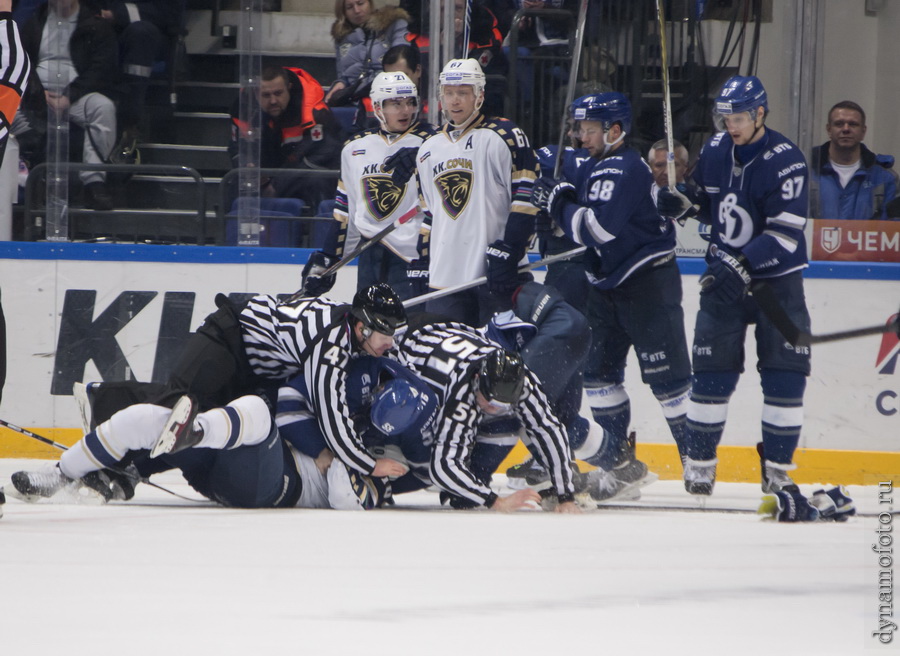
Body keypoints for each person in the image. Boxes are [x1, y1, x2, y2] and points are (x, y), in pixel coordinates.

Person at [74, 283, 412, 481]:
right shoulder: (330, 345)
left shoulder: (349, 333)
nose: (391, 342)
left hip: (260, 368)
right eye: (386, 333)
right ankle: (102, 403)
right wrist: (370, 465)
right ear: (362, 327)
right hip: (230, 336)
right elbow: (332, 415)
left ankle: (129, 468)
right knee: (178, 407)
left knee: (201, 425)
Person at [655, 75, 812, 497]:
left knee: (785, 378)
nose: (731, 125)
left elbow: (784, 235)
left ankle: (778, 468)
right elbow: (710, 206)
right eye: (725, 117)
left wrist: (741, 264)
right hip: (724, 281)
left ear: (760, 114)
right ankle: (701, 463)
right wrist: (684, 203)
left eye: (739, 117)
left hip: (776, 287)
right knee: (710, 376)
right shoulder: (717, 148)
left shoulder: (788, 160)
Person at [531, 93, 691, 483]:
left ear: (615, 131)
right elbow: (561, 167)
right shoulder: (601, 163)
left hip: (647, 282)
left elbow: (595, 230)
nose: (580, 136)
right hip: (605, 284)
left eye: (589, 129)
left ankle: (697, 461)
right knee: (599, 378)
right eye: (579, 128)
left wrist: (558, 203)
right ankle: (619, 467)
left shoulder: (621, 166)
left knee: (669, 383)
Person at [397, 317, 580, 512]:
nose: (495, 410)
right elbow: (442, 467)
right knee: (423, 466)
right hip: (409, 339)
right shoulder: (460, 390)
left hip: (452, 335)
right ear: (477, 380)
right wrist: (495, 501)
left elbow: (549, 429)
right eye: (490, 402)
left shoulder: (525, 383)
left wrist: (566, 495)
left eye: (505, 405)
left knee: (467, 495)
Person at [405, 57, 539, 326]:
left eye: (463, 93)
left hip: (496, 275)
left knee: (500, 361)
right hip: (445, 279)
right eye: (449, 93)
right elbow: (431, 214)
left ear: (480, 95)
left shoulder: (505, 135)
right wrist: (423, 260)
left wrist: (512, 250)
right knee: (446, 361)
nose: (455, 101)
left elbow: (527, 200)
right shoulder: (428, 148)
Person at [303, 71, 433, 300]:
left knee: (409, 329)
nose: (405, 110)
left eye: (409, 102)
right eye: (395, 103)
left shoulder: (435, 142)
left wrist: (426, 155)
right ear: (377, 106)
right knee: (367, 330)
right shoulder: (354, 148)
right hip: (370, 255)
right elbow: (347, 213)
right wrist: (329, 258)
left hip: (415, 257)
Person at [19, 0, 121, 210]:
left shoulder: (96, 25)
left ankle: (94, 182)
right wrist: (39, 93)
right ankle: (24, 179)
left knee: (103, 107)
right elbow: (22, 62)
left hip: (77, 95)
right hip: (37, 95)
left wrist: (70, 95)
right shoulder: (33, 24)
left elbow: (101, 69)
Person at [229, 65, 344, 211]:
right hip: (266, 172)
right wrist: (246, 166)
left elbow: (323, 156)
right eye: (266, 95)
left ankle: (317, 231)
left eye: (278, 93)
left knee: (318, 181)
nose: (273, 101)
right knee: (236, 183)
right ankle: (232, 231)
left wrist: (276, 185)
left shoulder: (315, 113)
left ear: (289, 88)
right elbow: (235, 147)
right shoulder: (243, 109)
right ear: (255, 93)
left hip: (303, 174)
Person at [98, 0, 183, 155]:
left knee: (140, 33)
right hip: (101, 31)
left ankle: (129, 123)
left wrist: (116, 14)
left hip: (148, 36)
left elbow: (168, 14)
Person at [810, 100, 898, 221]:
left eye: (853, 124)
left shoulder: (885, 177)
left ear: (863, 131)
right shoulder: (807, 171)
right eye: (839, 124)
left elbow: (894, 229)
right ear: (829, 129)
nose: (846, 129)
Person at [324, 0, 410, 107]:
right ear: (343, 12)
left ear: (370, 3)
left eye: (360, 4)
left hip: (390, 95)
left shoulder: (393, 24)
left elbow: (402, 61)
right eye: (349, 7)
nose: (357, 10)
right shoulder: (341, 37)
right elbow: (344, 75)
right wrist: (341, 83)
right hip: (356, 100)